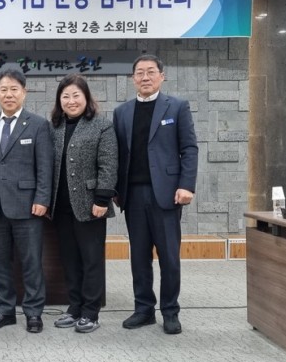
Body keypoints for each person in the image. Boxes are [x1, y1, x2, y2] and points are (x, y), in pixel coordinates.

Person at [112, 54, 198, 335]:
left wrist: (187, 185)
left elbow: (189, 148)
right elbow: (117, 154)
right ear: (133, 79)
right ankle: (144, 309)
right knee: (139, 257)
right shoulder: (122, 112)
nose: (145, 77)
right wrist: (115, 189)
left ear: (162, 76)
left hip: (167, 194)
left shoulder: (177, 107)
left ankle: (170, 311)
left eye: (151, 72)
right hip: (133, 195)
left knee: (169, 257)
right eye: (139, 72)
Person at [0, 69, 53, 333]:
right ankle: (4, 311)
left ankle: (33, 313)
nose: (9, 94)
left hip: (28, 205)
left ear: (24, 92)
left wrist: (42, 198)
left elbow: (45, 167)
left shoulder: (38, 124)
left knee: (31, 262)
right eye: (3, 90)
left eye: (14, 89)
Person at [49, 73, 118, 333]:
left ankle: (91, 312)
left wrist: (102, 198)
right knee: (70, 260)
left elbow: (108, 164)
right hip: (61, 206)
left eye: (76, 95)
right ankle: (74, 307)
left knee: (91, 260)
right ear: (59, 100)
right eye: (65, 96)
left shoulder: (102, 125)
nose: (71, 101)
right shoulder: (54, 126)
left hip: (91, 205)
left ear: (86, 97)